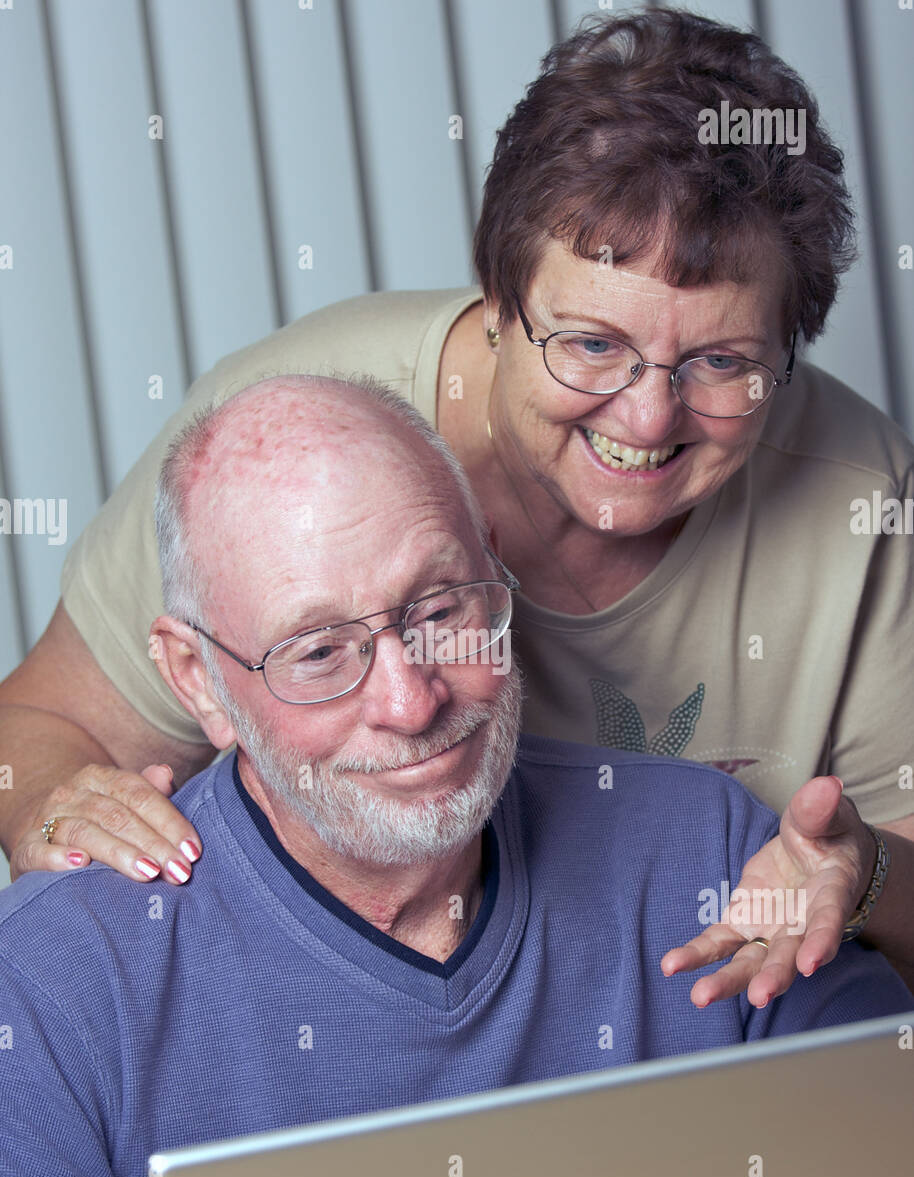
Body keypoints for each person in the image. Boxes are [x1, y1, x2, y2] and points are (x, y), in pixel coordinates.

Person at [1, 9, 912, 1014]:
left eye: (721, 362)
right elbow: (38, 727)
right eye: (591, 345)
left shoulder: (856, 493)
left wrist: (860, 871)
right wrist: (48, 798)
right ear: (494, 299)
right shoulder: (279, 444)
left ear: (788, 350)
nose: (648, 417)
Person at [0, 374, 910, 1177]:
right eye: (319, 653)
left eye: (440, 612)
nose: (410, 701)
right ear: (197, 681)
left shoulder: (710, 851)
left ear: (496, 568)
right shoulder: (52, 981)